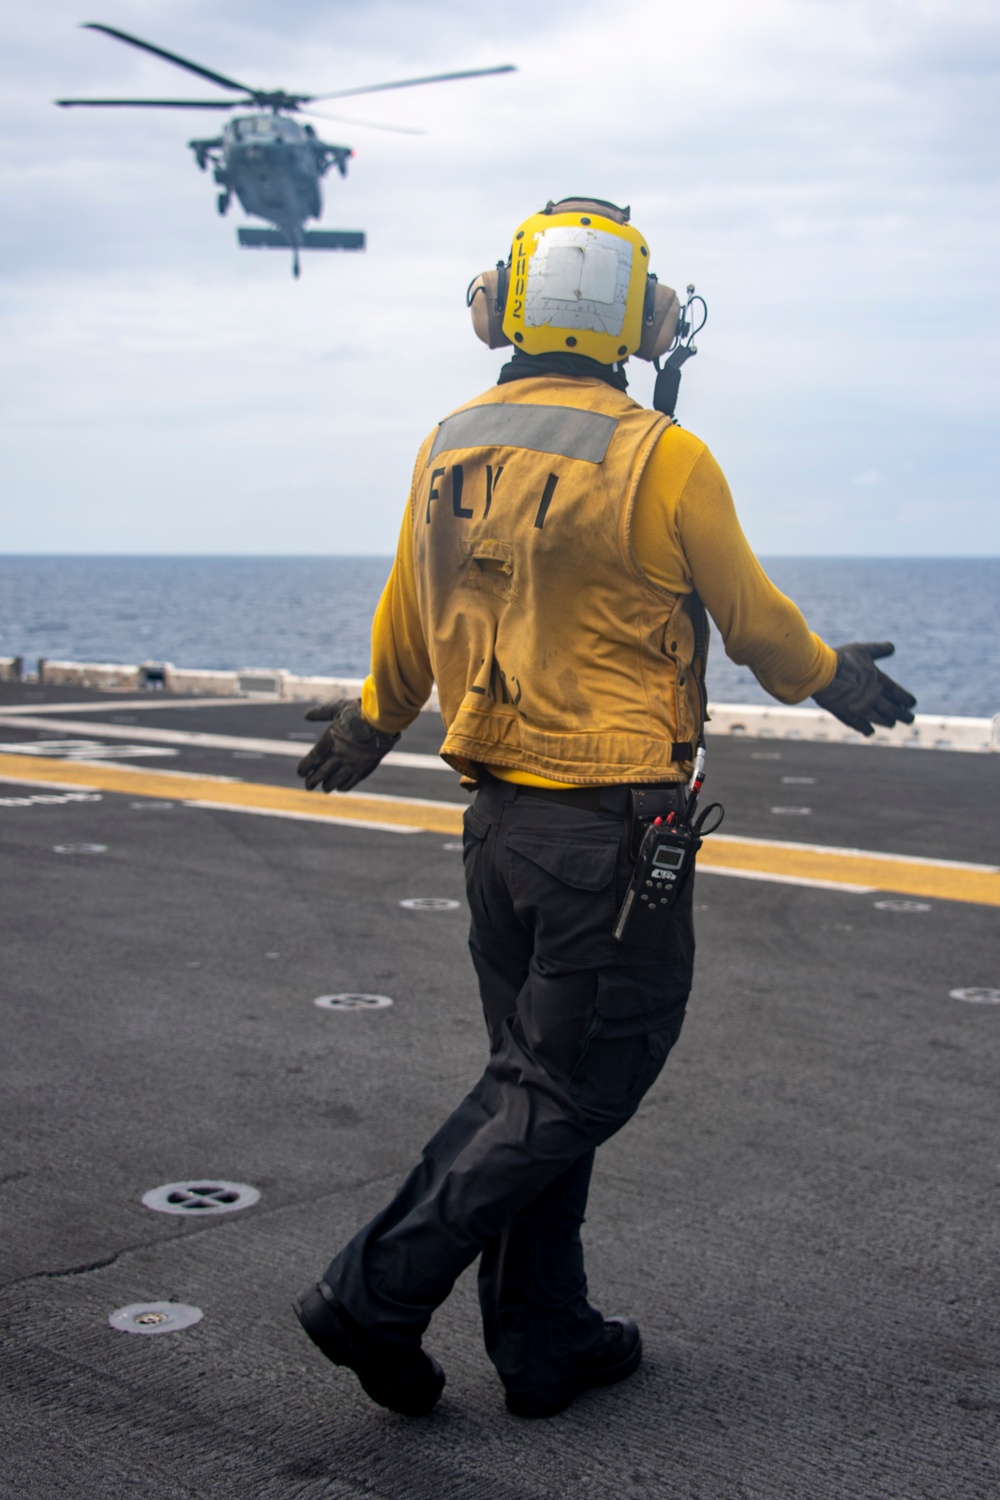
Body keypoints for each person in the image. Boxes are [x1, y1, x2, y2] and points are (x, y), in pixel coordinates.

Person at [292, 198, 916, 1420]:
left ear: (503, 306)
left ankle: (542, 1338)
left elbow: (406, 624)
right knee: (569, 1084)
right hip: (609, 840)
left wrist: (368, 728)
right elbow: (753, 624)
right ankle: (374, 1292)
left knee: (530, 1083)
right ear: (639, 318)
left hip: (499, 836)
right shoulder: (655, 454)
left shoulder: (447, 442)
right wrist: (832, 678)